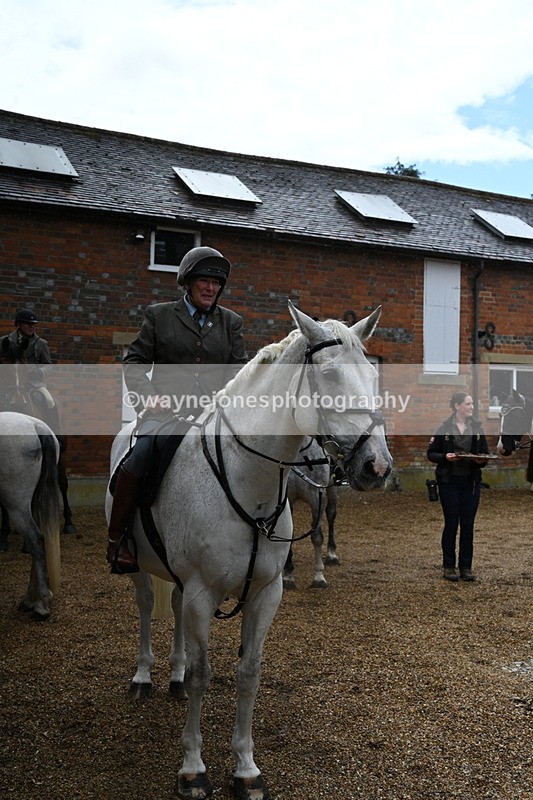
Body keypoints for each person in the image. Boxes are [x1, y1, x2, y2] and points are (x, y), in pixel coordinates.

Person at [107, 245, 247, 574]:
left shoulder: (232, 323)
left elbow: (239, 373)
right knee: (139, 457)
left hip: (213, 416)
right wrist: (148, 397)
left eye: (217, 283)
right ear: (187, 282)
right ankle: (118, 539)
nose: (211, 288)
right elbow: (135, 362)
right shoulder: (159, 315)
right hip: (166, 413)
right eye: (204, 280)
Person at [427, 392, 489, 582]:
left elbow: (485, 455)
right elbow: (431, 454)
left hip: (471, 484)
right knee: (451, 524)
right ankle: (448, 566)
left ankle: (466, 567)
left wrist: (480, 460)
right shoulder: (444, 428)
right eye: (468, 404)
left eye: (472, 404)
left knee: (468, 526)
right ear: (457, 406)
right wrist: (445, 457)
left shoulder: (477, 429)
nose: (471, 407)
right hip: (449, 483)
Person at [1, 308, 59, 432]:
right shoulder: (5, 341)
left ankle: (55, 433)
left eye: (33, 324)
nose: (32, 327)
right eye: (28, 324)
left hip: (33, 382)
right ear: (19, 324)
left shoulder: (41, 344)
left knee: (50, 400)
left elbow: (49, 366)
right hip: (9, 381)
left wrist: (39, 372)